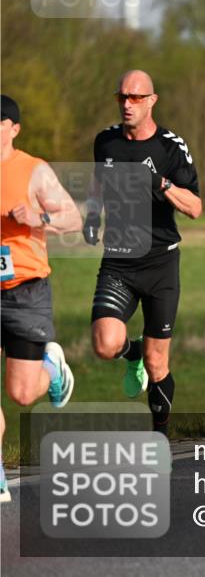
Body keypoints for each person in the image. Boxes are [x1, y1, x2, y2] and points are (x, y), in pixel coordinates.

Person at [85, 71, 202, 437]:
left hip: (160, 264)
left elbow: (195, 207)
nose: (127, 104)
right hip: (118, 261)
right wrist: (91, 214)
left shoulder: (170, 148)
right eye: (122, 97)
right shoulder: (105, 142)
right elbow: (96, 183)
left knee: (157, 363)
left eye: (136, 98)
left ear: (152, 100)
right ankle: (129, 352)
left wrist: (162, 183)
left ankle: (160, 436)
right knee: (105, 344)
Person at [1, 94, 82, 502]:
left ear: (14, 129)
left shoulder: (33, 170)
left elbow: (74, 217)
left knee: (21, 393)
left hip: (25, 292)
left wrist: (40, 218)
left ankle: (52, 366)